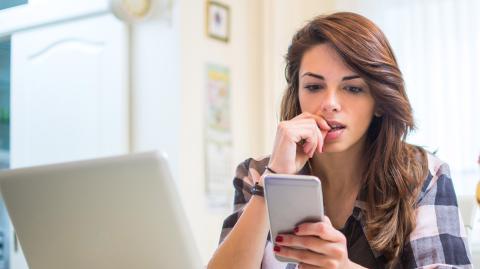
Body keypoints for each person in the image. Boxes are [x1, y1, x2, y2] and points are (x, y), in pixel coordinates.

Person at [207, 12, 472, 269]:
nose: (330, 103)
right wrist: (271, 180)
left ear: (379, 101)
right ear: (297, 93)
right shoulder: (256, 174)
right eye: (314, 86)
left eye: (353, 88)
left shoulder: (424, 176)